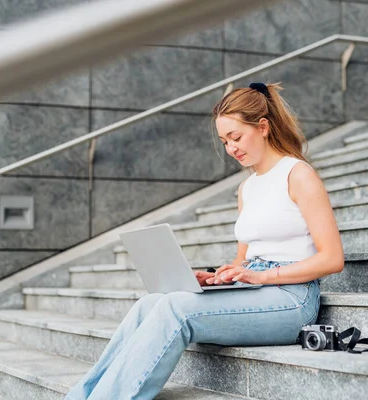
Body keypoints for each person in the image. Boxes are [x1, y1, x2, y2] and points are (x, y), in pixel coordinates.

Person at [64, 82, 344, 400]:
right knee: (149, 304)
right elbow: (244, 259)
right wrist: (219, 277)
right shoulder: (247, 188)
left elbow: (333, 258)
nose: (231, 148)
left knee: (175, 309)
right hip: (254, 288)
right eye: (225, 141)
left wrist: (264, 276)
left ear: (263, 127)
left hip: (292, 298)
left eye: (236, 137)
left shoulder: (298, 175)